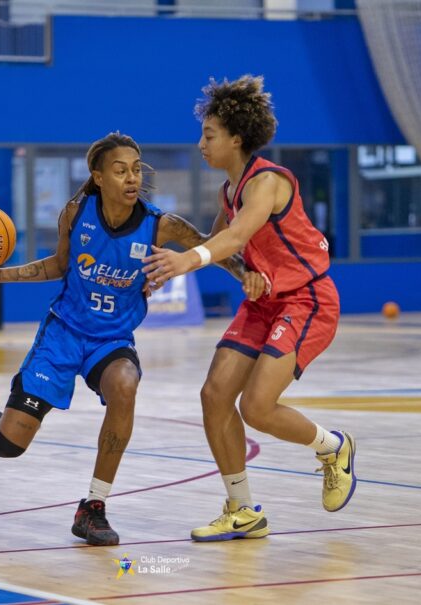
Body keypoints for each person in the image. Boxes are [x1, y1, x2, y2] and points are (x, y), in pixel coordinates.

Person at [0, 132, 266, 546]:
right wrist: (0, 275)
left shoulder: (159, 224)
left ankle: (93, 506)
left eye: (136, 170)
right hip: (63, 334)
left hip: (111, 341)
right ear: (98, 176)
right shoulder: (75, 214)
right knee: (7, 445)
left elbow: (210, 248)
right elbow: (59, 265)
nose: (131, 178)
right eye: (120, 170)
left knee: (125, 384)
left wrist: (246, 274)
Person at [142, 76, 356, 542]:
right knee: (214, 395)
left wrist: (187, 262)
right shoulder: (229, 192)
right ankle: (243, 510)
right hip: (264, 303)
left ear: (236, 138)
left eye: (209, 134)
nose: (201, 143)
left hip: (307, 300)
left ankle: (333, 447)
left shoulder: (268, 182)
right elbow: (221, 246)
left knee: (256, 407)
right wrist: (243, 274)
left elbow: (233, 239)